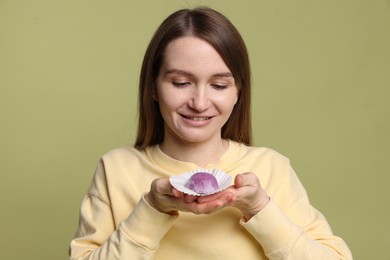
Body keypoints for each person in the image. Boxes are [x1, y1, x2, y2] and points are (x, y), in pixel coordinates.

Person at [69, 7, 352, 259]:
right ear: (154, 87)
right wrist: (152, 208)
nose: (200, 102)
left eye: (218, 85)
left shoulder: (272, 168)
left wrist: (259, 208)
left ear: (238, 92)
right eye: (181, 82)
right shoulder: (117, 169)